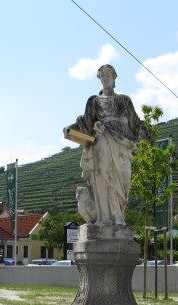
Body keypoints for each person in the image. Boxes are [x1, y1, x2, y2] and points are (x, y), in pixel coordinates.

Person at [64, 64, 150, 226]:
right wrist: (71, 130)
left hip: (122, 144)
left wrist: (145, 137)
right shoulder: (94, 101)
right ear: (99, 78)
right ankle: (105, 217)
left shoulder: (124, 100)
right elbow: (86, 124)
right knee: (103, 178)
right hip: (102, 141)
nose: (105, 78)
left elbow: (135, 122)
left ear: (114, 77)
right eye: (102, 75)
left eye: (108, 75)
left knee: (124, 180)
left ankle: (118, 215)